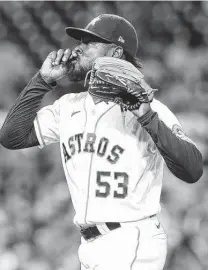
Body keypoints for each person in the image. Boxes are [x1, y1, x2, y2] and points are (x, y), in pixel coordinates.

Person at [0, 14, 203, 270]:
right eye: (80, 40)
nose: (78, 47)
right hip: (89, 246)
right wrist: (43, 81)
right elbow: (11, 137)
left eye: (90, 42)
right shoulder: (68, 107)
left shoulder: (149, 109)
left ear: (116, 52)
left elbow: (193, 169)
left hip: (132, 238)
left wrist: (148, 118)